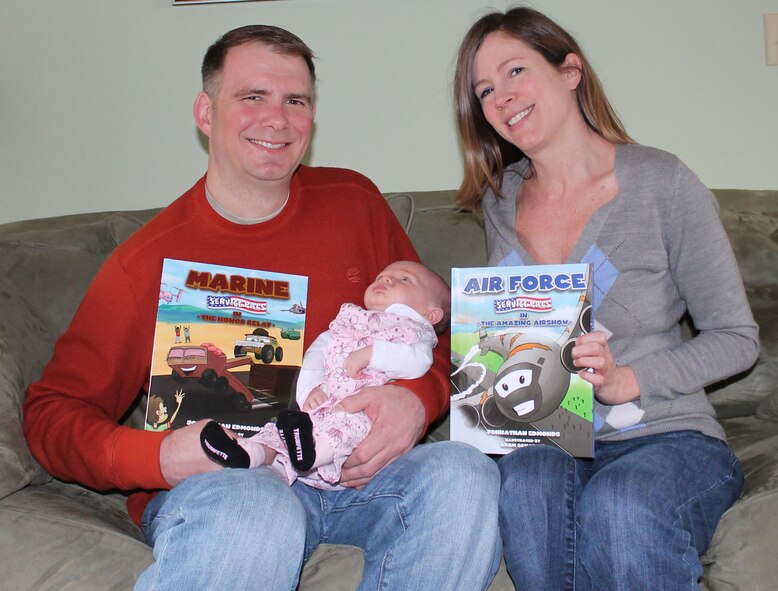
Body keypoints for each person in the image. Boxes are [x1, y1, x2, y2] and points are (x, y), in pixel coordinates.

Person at [23, 25, 501, 590]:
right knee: (257, 506)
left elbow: (437, 335)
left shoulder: (355, 205)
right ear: (206, 112)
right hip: (230, 486)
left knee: (464, 473)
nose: (277, 119)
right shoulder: (145, 261)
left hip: (352, 475)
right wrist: (160, 458)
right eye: (253, 97)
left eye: (295, 101)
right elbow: (53, 414)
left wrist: (416, 401)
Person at [453, 7, 759, 591]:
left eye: (515, 70)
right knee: (528, 483)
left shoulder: (663, 183)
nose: (501, 98)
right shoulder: (500, 202)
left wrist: (629, 379)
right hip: (545, 438)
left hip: (668, 434)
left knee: (620, 505)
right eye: (485, 89)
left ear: (570, 70)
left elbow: (737, 338)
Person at [200, 259, 452, 489]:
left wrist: (372, 354)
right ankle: (248, 453)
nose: (385, 279)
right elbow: (316, 356)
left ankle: (309, 455)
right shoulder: (348, 321)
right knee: (276, 432)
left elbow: (419, 362)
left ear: (431, 314)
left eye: (404, 279)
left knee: (345, 427)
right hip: (320, 405)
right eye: (381, 276)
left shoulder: (414, 332)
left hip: (360, 412)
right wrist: (310, 389)